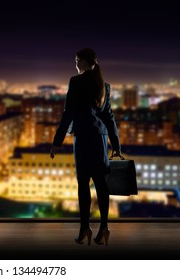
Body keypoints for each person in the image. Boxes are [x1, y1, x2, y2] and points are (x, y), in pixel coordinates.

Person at [50, 48, 121, 246]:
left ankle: (84, 229)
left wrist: (57, 142)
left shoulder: (76, 82)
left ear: (81, 61)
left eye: (76, 61)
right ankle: (104, 228)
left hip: (82, 140)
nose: (75, 65)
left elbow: (68, 114)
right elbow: (109, 116)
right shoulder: (104, 85)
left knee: (83, 185)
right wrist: (116, 144)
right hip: (100, 140)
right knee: (101, 185)